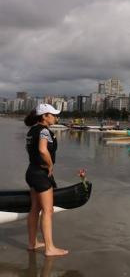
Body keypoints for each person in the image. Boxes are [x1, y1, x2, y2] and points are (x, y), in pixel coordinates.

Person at [24, 104, 68, 256]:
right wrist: (49, 165)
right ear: (44, 116)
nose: (56, 117)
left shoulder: (32, 131)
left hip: (31, 172)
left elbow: (31, 150)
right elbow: (43, 150)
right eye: (53, 115)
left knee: (35, 208)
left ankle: (32, 243)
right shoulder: (44, 131)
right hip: (41, 174)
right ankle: (50, 248)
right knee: (48, 210)